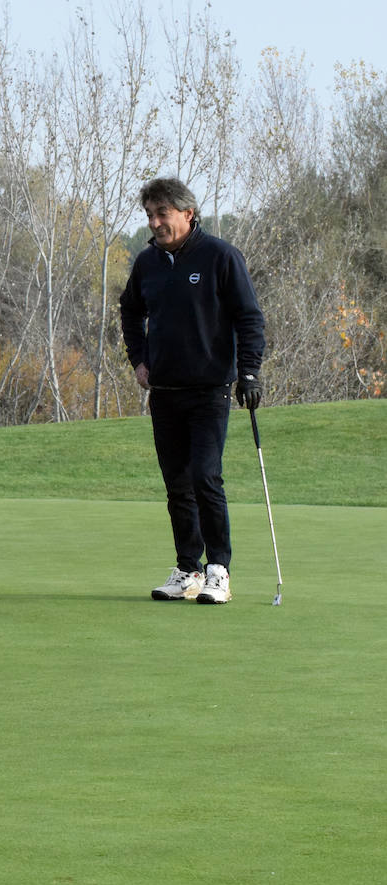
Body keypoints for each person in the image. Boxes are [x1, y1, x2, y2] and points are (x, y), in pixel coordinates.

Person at [119, 177, 266, 604]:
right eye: (149, 214)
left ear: (187, 212)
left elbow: (249, 318)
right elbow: (129, 311)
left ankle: (218, 569)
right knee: (177, 484)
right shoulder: (147, 262)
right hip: (164, 390)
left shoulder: (221, 256)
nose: (154, 222)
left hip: (209, 389)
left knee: (205, 476)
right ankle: (188, 569)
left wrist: (250, 373)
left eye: (161, 213)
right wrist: (139, 360)